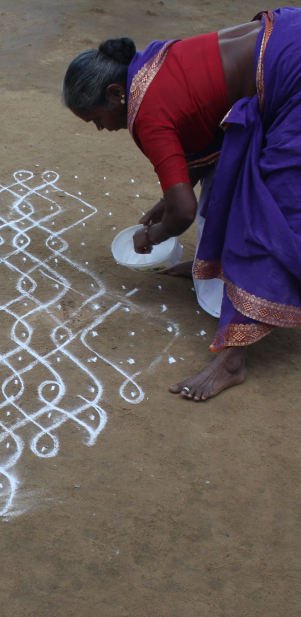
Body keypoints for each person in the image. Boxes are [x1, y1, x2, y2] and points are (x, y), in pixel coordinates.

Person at [62, 8, 301, 401]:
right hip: (286, 37)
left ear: (115, 94)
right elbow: (204, 128)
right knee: (234, 170)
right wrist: (167, 201)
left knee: (267, 210)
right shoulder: (150, 64)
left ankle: (232, 361)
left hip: (292, 76)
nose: (101, 128)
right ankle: (216, 266)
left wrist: (153, 236)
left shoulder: (148, 115)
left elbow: (185, 212)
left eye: (96, 118)